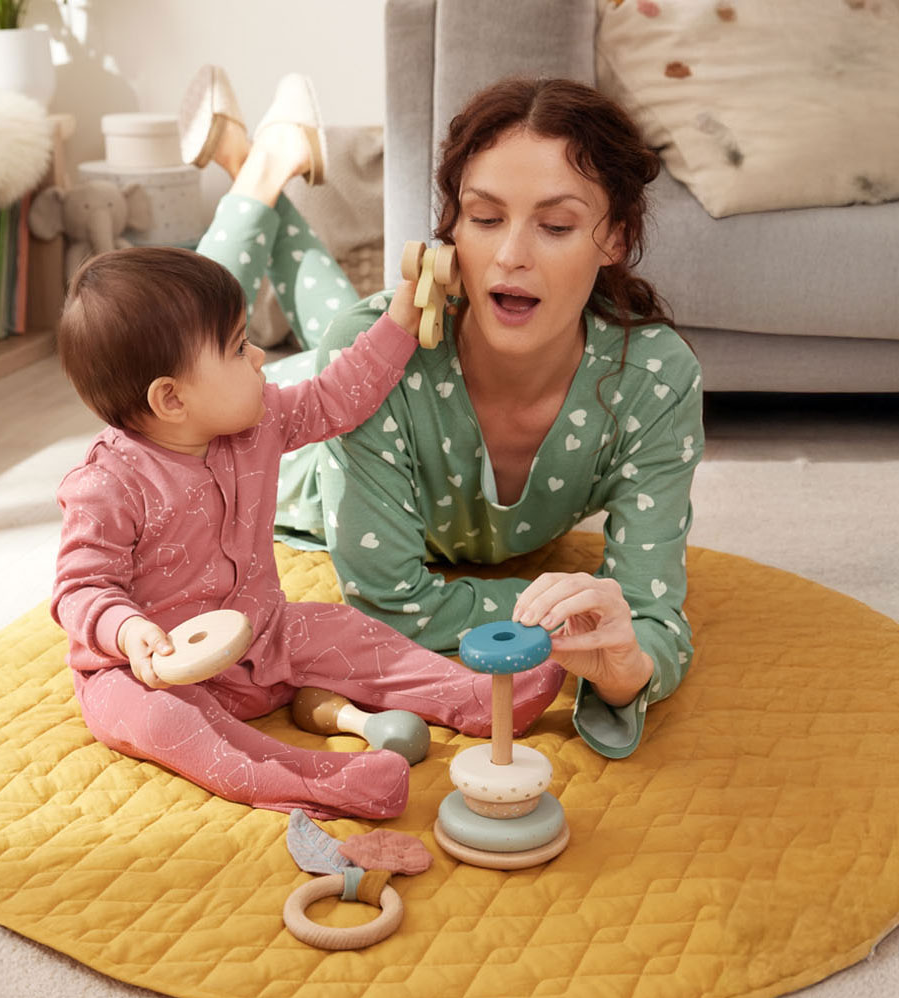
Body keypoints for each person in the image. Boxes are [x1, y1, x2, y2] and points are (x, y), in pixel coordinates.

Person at [180, 71, 703, 759]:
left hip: (372, 357)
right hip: (299, 430)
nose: (510, 256)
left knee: (347, 327)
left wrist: (628, 662)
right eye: (485, 219)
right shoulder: (382, 366)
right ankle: (263, 169)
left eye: (555, 225)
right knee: (174, 356)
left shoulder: (653, 381)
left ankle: (258, 160)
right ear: (453, 229)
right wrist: (561, 613)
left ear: (616, 236)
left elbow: (651, 620)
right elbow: (391, 604)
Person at [49, 246, 565, 821]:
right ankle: (313, 781)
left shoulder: (256, 422)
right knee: (165, 723)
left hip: (263, 639)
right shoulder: (106, 485)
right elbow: (79, 589)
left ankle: (481, 701)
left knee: (343, 627)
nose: (259, 355)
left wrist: (399, 320)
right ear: (172, 398)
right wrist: (126, 631)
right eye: (237, 347)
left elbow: (336, 397)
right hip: (152, 673)